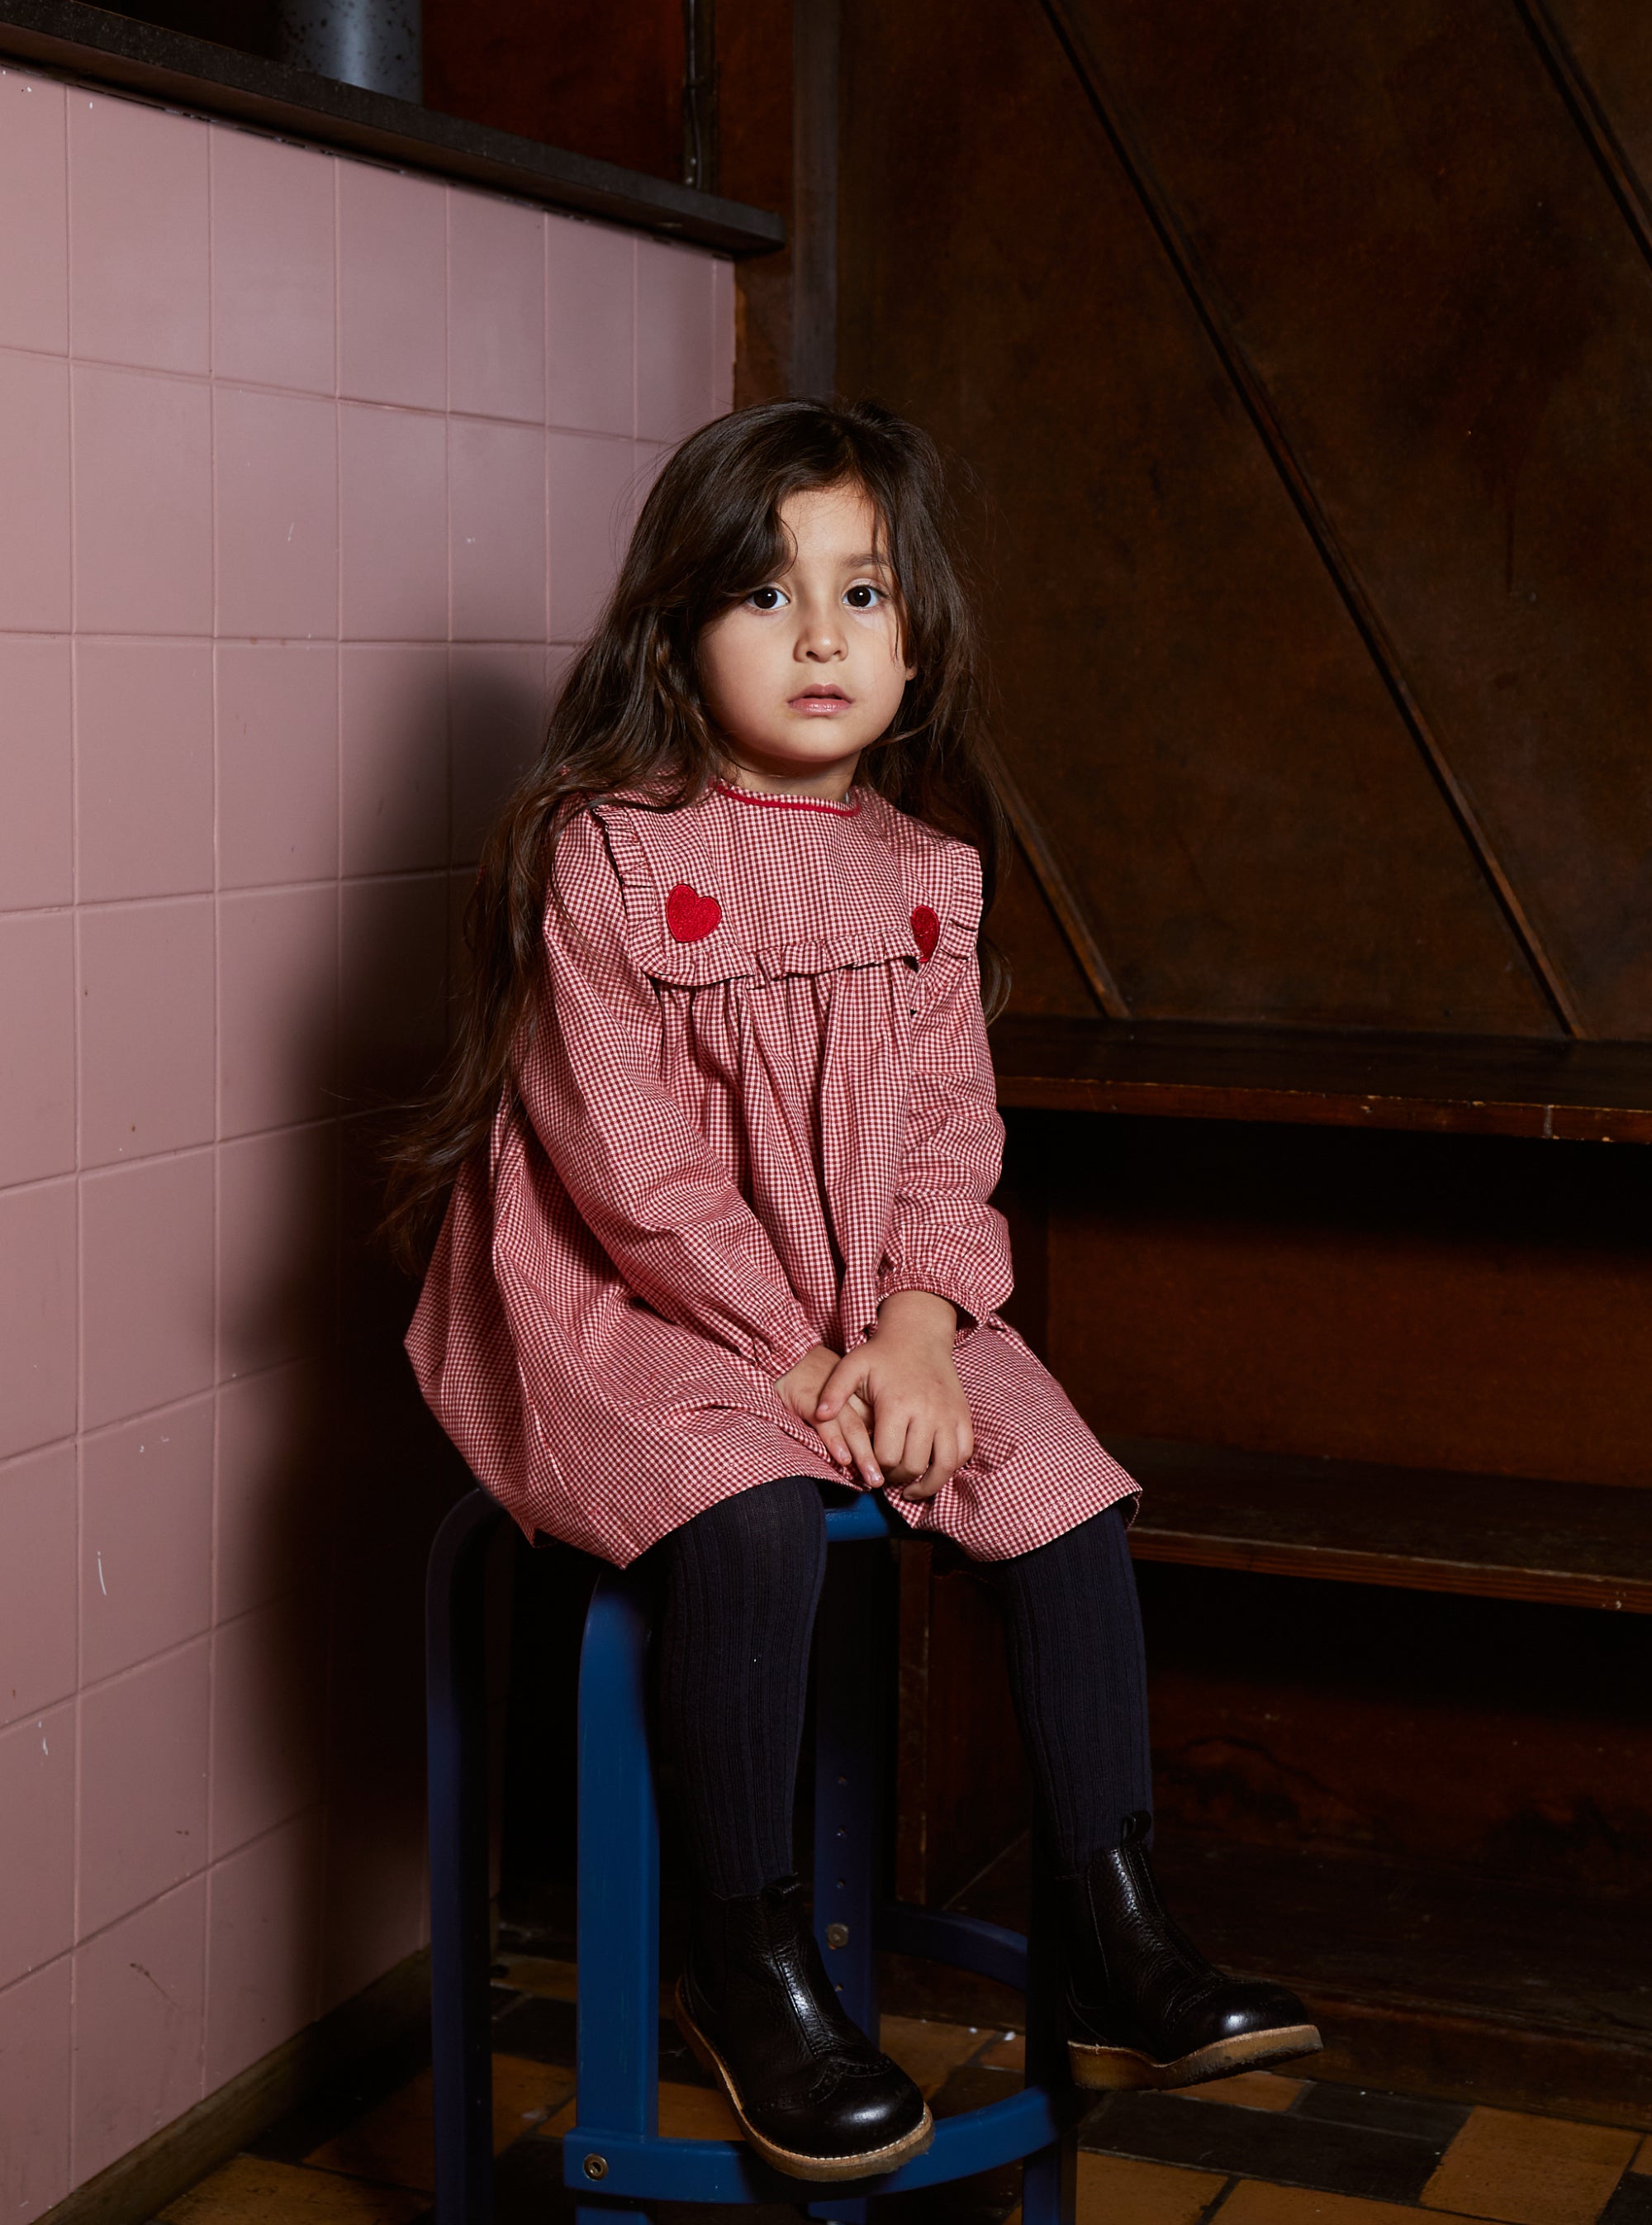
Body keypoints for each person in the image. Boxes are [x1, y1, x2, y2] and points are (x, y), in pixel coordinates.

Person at [387, 399, 1319, 2186]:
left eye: (862, 592)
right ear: (675, 631)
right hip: (631, 1306)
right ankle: (744, 1965)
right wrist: (794, 1357)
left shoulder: (925, 880)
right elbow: (630, 1171)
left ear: (916, 634)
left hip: (865, 1303)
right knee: (746, 1511)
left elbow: (949, 1140)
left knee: (1065, 1495)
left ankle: (1116, 1930)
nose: (821, 636)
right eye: (766, 593)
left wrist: (912, 1330)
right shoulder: (602, 854)